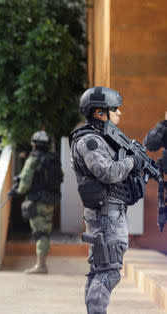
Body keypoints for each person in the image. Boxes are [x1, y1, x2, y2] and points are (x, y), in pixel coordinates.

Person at [70, 86, 145, 314]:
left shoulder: (102, 139)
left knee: (99, 271)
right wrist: (132, 161)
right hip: (106, 216)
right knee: (108, 272)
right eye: (115, 109)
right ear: (99, 113)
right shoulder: (90, 141)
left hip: (108, 213)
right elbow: (107, 172)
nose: (119, 114)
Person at [11, 130, 63, 274]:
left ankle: (41, 266)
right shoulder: (53, 159)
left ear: (34, 144)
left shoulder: (33, 158)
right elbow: (60, 177)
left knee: (39, 233)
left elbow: (25, 182)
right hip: (51, 200)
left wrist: (17, 191)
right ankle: (42, 264)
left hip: (37, 201)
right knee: (45, 232)